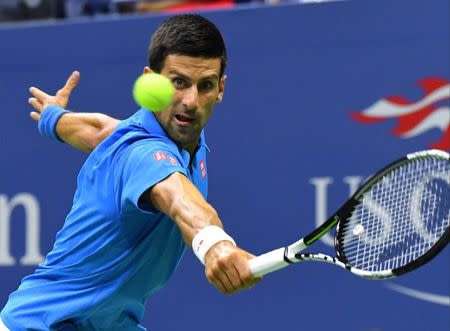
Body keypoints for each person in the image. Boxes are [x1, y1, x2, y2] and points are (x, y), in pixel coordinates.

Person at [0, 14, 261, 330]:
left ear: (220, 88)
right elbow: (179, 199)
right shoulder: (145, 154)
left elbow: (100, 131)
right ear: (151, 80)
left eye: (204, 86)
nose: (191, 101)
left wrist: (54, 118)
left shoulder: (152, 133)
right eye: (178, 82)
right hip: (41, 324)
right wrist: (215, 245)